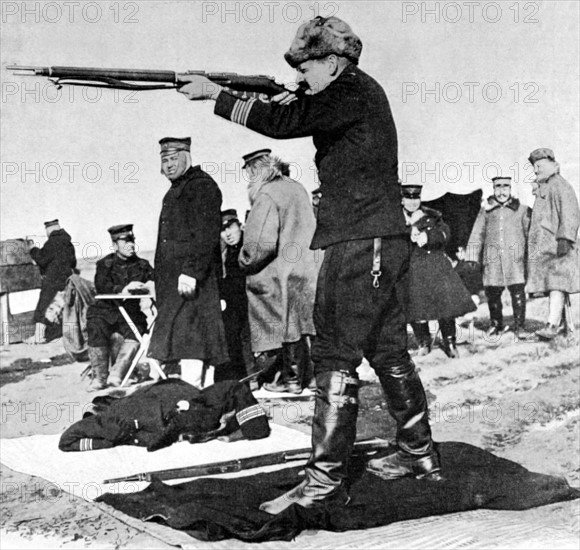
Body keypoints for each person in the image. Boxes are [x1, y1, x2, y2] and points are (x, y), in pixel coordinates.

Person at [176, 16, 442, 512]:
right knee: (388, 352)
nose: (301, 78)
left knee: (335, 357)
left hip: (361, 242)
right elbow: (300, 110)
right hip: (376, 240)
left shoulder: (348, 92)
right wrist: (283, 98)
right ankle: (419, 455)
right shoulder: (353, 91)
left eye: (308, 68)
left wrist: (216, 96)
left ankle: (322, 481)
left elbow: (285, 123)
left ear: (334, 62)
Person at [148, 137, 229, 387]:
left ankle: (195, 399)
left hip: (193, 284)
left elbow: (205, 234)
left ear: (186, 157)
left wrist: (191, 272)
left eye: (174, 159)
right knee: (186, 342)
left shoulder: (200, 186)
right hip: (176, 284)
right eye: (165, 160)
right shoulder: (178, 189)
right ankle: (195, 399)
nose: (169, 165)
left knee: (193, 342)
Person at [239, 149, 318, 395]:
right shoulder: (297, 188)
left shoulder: (267, 194)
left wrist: (244, 261)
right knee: (307, 323)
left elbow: (259, 244)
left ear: (255, 171)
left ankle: (289, 380)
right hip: (308, 266)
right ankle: (312, 378)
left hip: (281, 271)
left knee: (284, 324)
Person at [402, 185, 477, 358]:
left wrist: (428, 237)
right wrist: (407, 232)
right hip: (411, 268)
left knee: (445, 306)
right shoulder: (396, 219)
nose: (413, 202)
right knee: (416, 308)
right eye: (409, 198)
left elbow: (445, 232)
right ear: (402, 199)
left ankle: (450, 342)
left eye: (416, 198)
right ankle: (424, 342)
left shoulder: (432, 215)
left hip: (435, 265)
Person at [86, 224, 154, 390]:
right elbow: (101, 285)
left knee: (136, 330)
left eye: (132, 241)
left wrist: (150, 286)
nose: (131, 245)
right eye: (125, 242)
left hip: (130, 314)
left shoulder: (142, 265)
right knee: (96, 325)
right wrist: (123, 290)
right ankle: (99, 377)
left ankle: (117, 374)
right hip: (105, 311)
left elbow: (155, 280)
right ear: (115, 245)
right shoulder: (105, 264)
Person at [467, 176, 531, 339]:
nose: (502, 191)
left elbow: (531, 234)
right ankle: (496, 324)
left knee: (517, 291)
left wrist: (533, 257)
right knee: (493, 293)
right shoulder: (486, 211)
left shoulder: (522, 210)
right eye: (498, 187)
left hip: (514, 260)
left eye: (505, 187)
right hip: (493, 261)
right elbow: (477, 233)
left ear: (511, 189)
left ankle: (520, 326)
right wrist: (472, 256)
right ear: (493, 189)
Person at [526, 148, 579, 339]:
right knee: (556, 285)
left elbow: (571, 212)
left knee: (557, 285)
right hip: (549, 248)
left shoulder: (560, 185)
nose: (536, 170)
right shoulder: (546, 187)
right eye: (534, 167)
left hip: (559, 246)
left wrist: (565, 238)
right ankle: (564, 325)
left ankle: (551, 326)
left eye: (539, 166)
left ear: (550, 164)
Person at [216, 209, 254, 383]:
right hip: (237, 301)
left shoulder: (251, 245)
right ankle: (243, 377)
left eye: (230, 227)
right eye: (223, 230)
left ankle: (251, 376)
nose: (228, 233)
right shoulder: (228, 252)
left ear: (239, 225)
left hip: (256, 300)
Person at [27, 219, 77, 344]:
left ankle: (39, 336)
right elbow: (74, 262)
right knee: (58, 307)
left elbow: (42, 259)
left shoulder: (52, 242)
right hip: (66, 280)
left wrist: (33, 249)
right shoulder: (68, 243)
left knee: (43, 307)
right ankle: (61, 333)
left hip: (52, 280)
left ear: (49, 230)